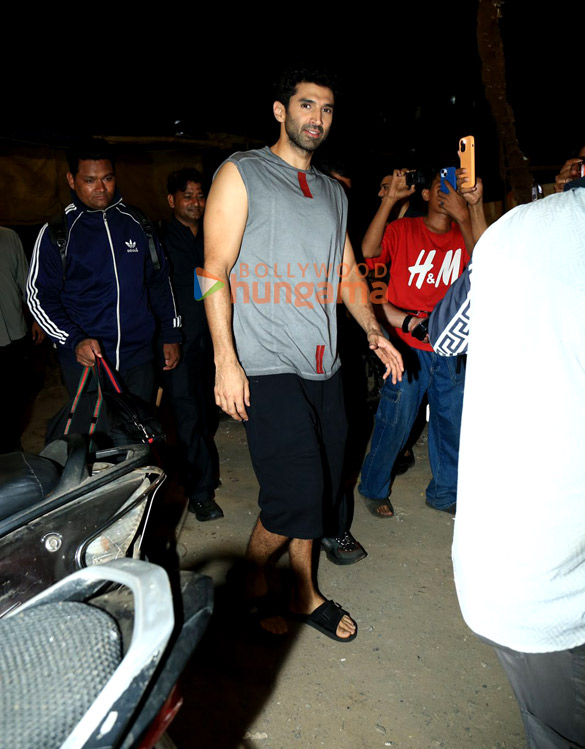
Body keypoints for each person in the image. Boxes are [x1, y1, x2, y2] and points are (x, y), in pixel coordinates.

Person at [203, 67, 404, 640]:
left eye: (327, 109)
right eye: (307, 105)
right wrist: (225, 360)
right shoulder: (243, 172)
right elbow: (211, 271)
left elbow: (346, 274)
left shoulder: (334, 193)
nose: (317, 118)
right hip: (266, 363)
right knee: (297, 494)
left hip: (326, 363)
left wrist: (373, 330)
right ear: (279, 110)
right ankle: (251, 575)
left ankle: (304, 590)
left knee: (321, 486)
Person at [427, 176, 585, 749]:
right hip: (550, 572)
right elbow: (440, 332)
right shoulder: (433, 233)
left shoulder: (510, 233)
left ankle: (442, 488)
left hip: (518, 557)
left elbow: (450, 331)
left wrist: (479, 224)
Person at [358, 168, 482, 518]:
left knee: (451, 422)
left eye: (455, 187)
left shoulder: (463, 235)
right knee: (395, 419)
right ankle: (373, 485)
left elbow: (484, 261)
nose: (447, 192)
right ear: (425, 195)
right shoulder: (405, 229)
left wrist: (466, 213)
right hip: (408, 342)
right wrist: (390, 201)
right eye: (439, 185)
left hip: (451, 344)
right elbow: (369, 250)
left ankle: (444, 492)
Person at [27, 139, 181, 403]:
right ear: (71, 180)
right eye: (90, 180)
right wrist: (74, 340)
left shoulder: (138, 223)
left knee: (139, 439)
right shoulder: (57, 233)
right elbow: (39, 297)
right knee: (96, 440)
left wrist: (171, 333)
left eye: (107, 178)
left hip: (139, 358)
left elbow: (158, 282)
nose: (101, 188)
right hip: (86, 362)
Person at [162, 168, 222, 521]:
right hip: (179, 342)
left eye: (201, 196)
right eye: (188, 196)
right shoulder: (162, 240)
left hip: (211, 340)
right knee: (186, 415)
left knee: (205, 412)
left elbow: (213, 285)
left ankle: (201, 469)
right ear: (173, 200)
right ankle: (200, 491)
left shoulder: (212, 238)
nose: (196, 203)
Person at [0, 227, 45, 452]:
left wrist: (38, 318)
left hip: (14, 336)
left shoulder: (9, 237)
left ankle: (12, 451)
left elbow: (28, 283)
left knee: (15, 398)